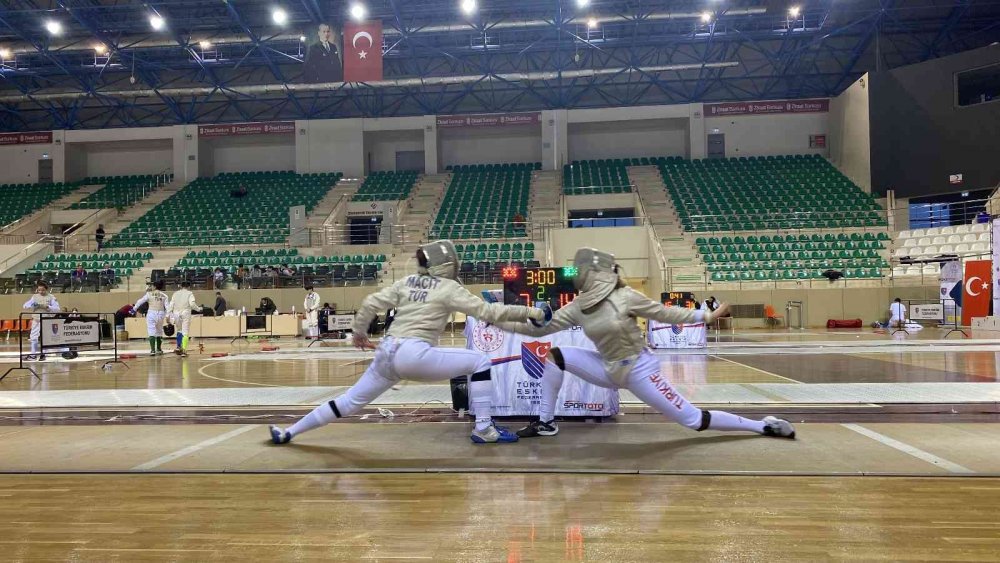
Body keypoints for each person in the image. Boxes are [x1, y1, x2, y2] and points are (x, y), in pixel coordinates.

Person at [268, 240, 552, 445]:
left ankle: (288, 432)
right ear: (448, 265)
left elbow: (371, 303)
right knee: (481, 362)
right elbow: (490, 312)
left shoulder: (408, 283)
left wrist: (359, 332)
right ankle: (484, 428)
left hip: (386, 354)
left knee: (350, 401)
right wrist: (534, 312)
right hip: (412, 355)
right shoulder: (449, 287)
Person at [496, 248, 796, 440]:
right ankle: (546, 422)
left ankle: (762, 425)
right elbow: (540, 330)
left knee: (693, 420)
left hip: (640, 371)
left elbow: (665, 313)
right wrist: (498, 319)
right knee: (555, 356)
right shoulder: (578, 305)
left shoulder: (625, 297)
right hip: (608, 368)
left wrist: (707, 315)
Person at [22, 281, 60, 361]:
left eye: (42, 290)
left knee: (45, 337)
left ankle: (44, 354)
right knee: (33, 337)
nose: (41, 292)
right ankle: (33, 355)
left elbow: (57, 309)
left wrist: (48, 307)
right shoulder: (35, 297)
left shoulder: (51, 297)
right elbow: (25, 305)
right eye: (39, 290)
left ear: (46, 289)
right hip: (36, 319)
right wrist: (31, 305)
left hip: (46, 320)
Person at [132, 280, 171, 356]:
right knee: (159, 331)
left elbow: (140, 301)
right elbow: (167, 307)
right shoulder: (164, 296)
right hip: (161, 314)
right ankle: (159, 349)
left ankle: (152, 350)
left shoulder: (149, 294)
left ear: (155, 286)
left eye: (153, 285)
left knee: (151, 331)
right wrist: (168, 316)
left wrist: (134, 309)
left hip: (151, 313)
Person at [168, 281, 198, 357]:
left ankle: (179, 347)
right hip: (185, 312)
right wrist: (198, 309)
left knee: (179, 330)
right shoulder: (190, 293)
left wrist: (168, 315)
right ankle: (184, 350)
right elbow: (192, 304)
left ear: (181, 286)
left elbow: (171, 305)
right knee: (185, 332)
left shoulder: (175, 294)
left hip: (176, 313)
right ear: (189, 287)